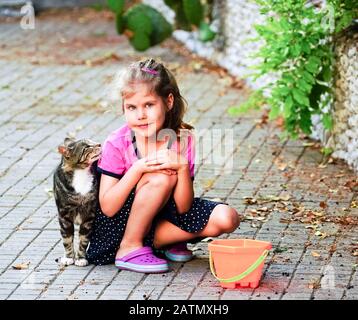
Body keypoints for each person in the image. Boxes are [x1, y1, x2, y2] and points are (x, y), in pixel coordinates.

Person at [86, 58, 240, 273]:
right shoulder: (117, 142)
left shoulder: (181, 139)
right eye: (131, 107)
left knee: (228, 218)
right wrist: (138, 169)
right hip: (118, 228)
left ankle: (162, 243)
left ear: (168, 102)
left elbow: (183, 207)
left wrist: (183, 168)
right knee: (160, 175)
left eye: (149, 105)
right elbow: (108, 207)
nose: (140, 115)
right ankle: (130, 247)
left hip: (163, 218)